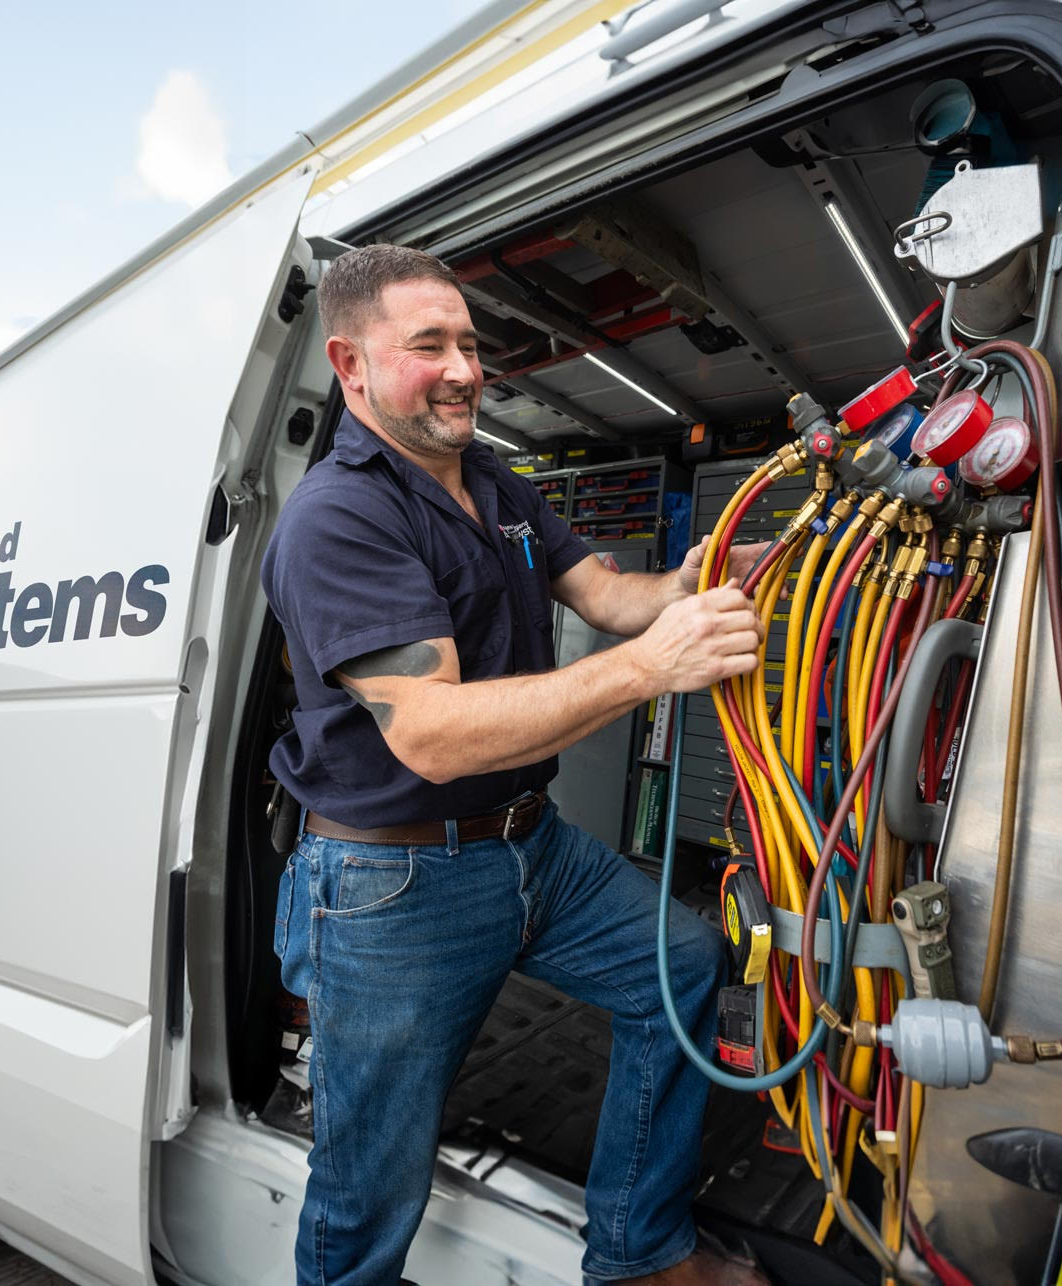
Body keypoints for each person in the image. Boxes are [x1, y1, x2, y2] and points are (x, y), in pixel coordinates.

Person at [263, 243, 771, 1286]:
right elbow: (431, 732)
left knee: (680, 964)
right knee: (370, 1184)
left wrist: (695, 579)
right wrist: (649, 670)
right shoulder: (338, 516)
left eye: (469, 344)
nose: (461, 369)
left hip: (529, 848)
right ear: (351, 364)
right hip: (393, 884)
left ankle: (637, 1253)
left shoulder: (488, 475)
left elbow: (605, 598)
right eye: (428, 347)